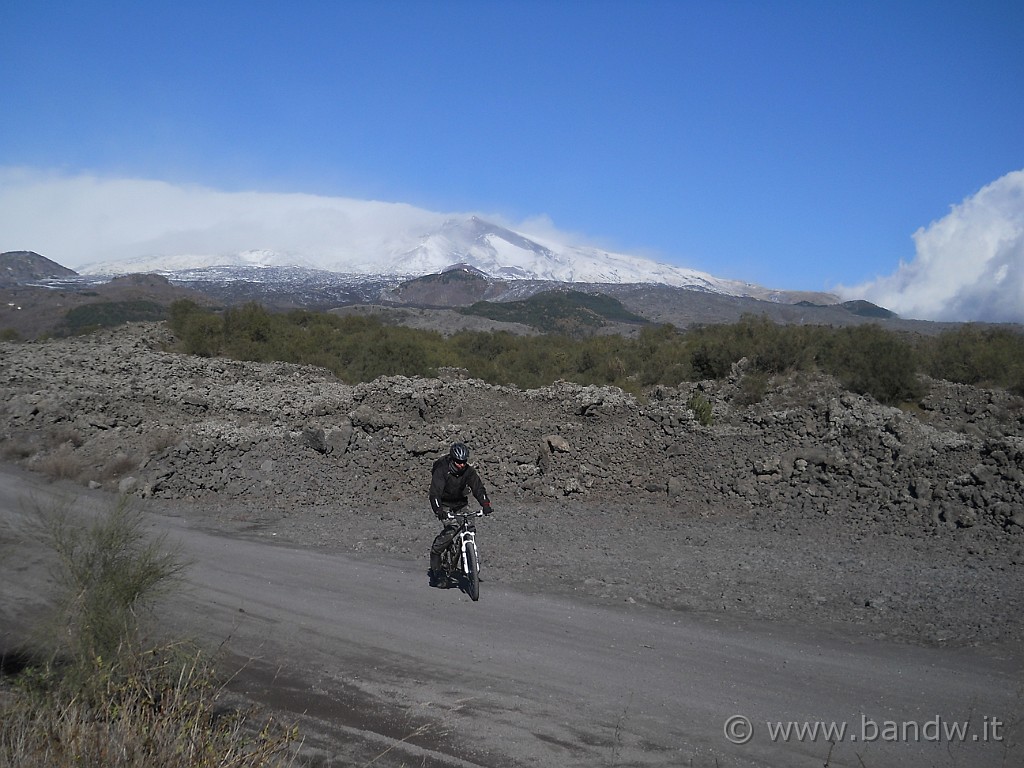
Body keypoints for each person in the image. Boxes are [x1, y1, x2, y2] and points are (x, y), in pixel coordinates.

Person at [428, 442, 492, 587]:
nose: (461, 465)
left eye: (464, 462)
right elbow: (435, 493)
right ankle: (438, 571)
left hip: (460, 504)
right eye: (458, 462)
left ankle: (468, 561)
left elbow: (478, 488)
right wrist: (439, 510)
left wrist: (486, 504)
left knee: (470, 525)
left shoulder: (468, 472)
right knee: (451, 530)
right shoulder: (442, 470)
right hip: (444, 505)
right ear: (452, 459)